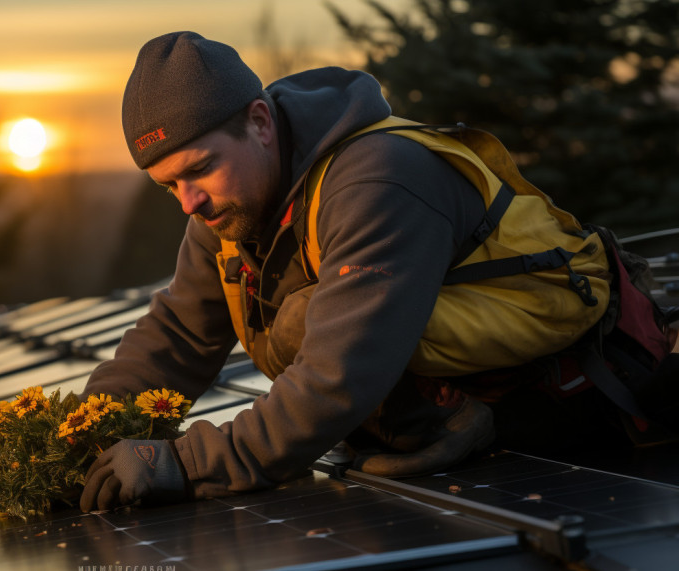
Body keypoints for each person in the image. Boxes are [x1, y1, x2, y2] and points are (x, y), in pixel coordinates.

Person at [79, 31, 677, 513]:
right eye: (168, 188)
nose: (189, 201)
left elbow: (338, 374)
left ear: (260, 122)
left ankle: (454, 417)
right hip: (422, 370)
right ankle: (431, 418)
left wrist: (184, 464)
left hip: (564, 392)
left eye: (200, 169)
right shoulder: (229, 210)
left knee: (304, 323)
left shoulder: (377, 178)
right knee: (304, 323)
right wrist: (78, 439)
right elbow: (177, 338)